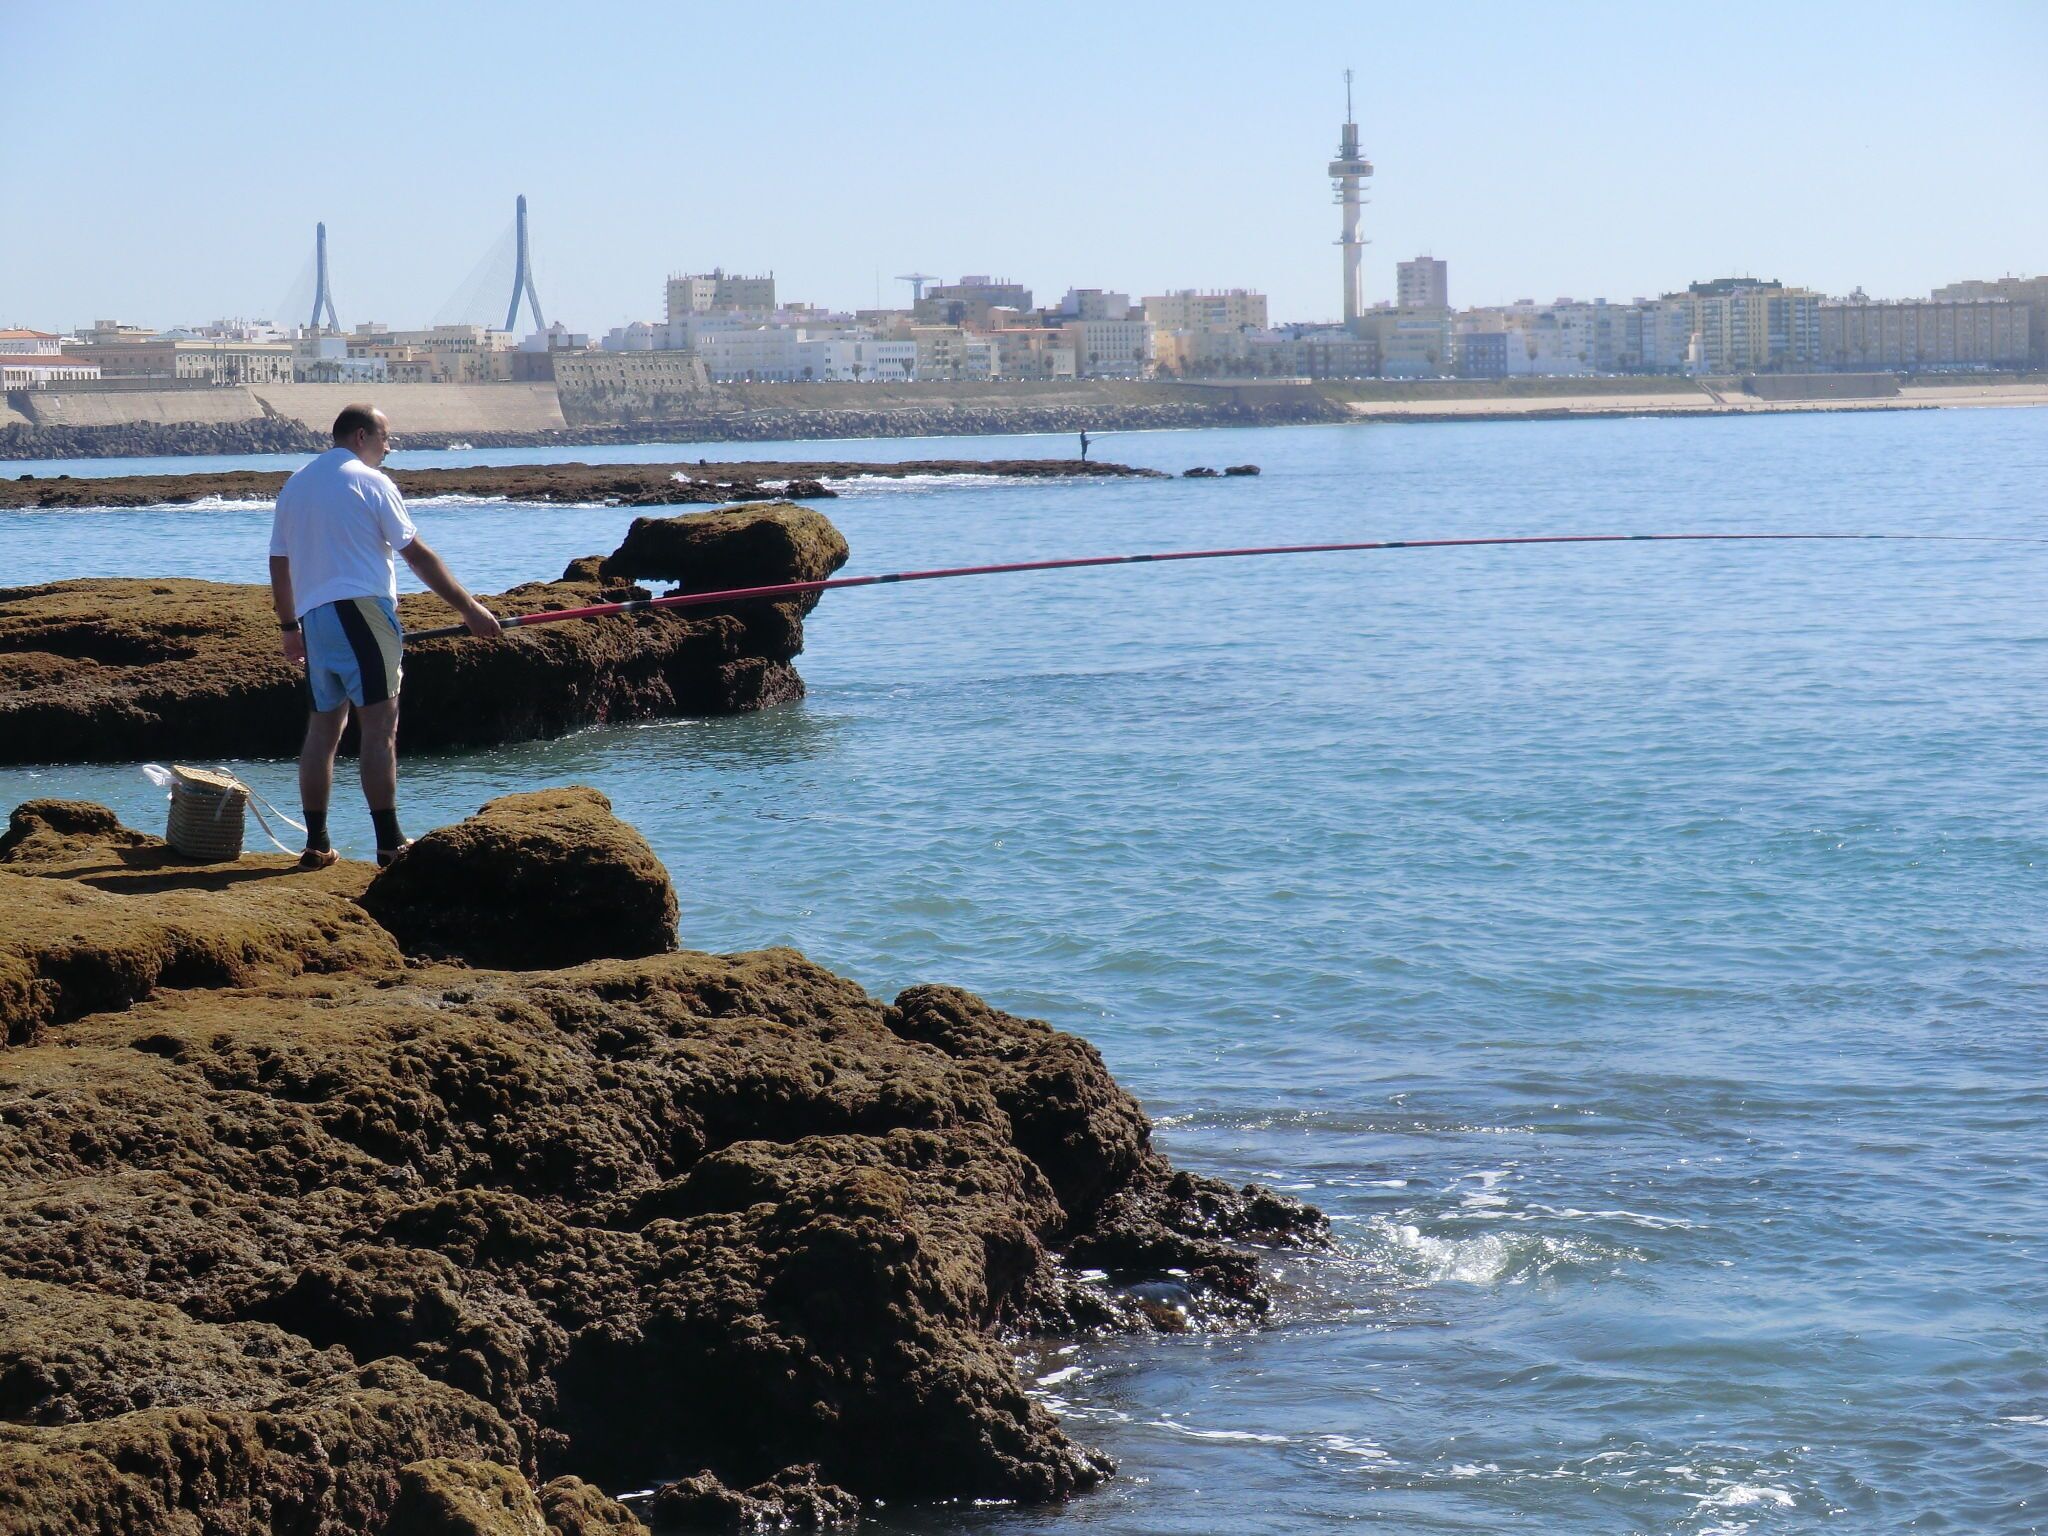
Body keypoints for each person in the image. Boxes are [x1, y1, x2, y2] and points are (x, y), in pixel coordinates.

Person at [268, 404, 500, 869]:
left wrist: (290, 629)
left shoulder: (295, 486)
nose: (389, 447)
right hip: (362, 614)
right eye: (385, 437)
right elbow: (416, 556)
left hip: (314, 620)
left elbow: (279, 562)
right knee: (380, 729)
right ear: (361, 435)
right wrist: (470, 609)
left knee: (323, 731)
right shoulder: (371, 481)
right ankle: (390, 844)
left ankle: (317, 845)